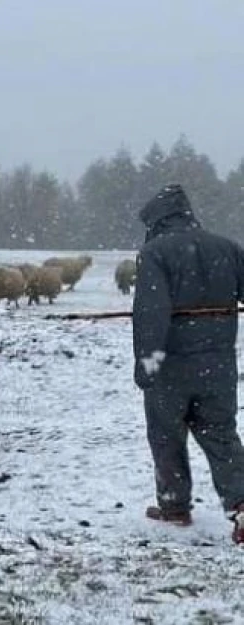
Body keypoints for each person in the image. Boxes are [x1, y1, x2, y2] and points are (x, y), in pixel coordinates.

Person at [132, 183, 244, 544]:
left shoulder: (155, 252)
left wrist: (148, 361)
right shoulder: (227, 248)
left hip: (172, 365)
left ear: (157, 221)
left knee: (166, 435)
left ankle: (174, 506)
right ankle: (242, 505)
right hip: (220, 364)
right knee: (221, 434)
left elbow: (152, 313)